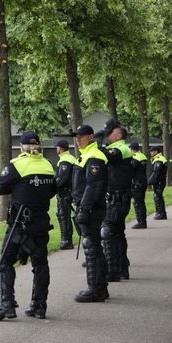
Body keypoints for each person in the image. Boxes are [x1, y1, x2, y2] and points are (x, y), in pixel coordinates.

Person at [0, 131, 56, 320]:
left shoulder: (17, 165)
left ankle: (6, 305)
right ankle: (39, 306)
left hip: (20, 225)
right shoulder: (48, 165)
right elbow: (52, 191)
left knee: (4, 263)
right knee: (41, 264)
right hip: (41, 224)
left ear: (22, 147)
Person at [71, 125, 109, 303]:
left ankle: (95, 289)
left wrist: (85, 209)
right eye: (76, 137)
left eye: (81, 136)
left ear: (91, 137)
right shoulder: (86, 155)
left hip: (92, 208)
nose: (77, 140)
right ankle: (99, 287)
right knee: (93, 247)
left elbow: (93, 186)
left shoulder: (94, 157)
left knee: (92, 247)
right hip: (86, 206)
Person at [101, 119, 133, 281]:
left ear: (119, 134)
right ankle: (122, 268)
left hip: (118, 198)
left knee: (108, 233)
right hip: (116, 198)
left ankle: (112, 270)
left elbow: (107, 155)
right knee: (117, 233)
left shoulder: (122, 148)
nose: (107, 136)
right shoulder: (113, 148)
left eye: (109, 133)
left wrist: (98, 143)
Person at [54, 139, 76, 250]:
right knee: (63, 215)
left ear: (61, 148)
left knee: (64, 216)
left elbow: (62, 179)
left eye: (57, 147)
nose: (56, 149)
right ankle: (66, 239)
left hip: (66, 192)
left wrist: (52, 187)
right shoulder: (69, 158)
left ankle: (66, 241)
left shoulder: (66, 160)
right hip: (68, 192)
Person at [128, 141, 149, 229]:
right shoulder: (142, 156)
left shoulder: (135, 158)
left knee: (138, 203)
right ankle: (143, 221)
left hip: (137, 183)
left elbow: (130, 170)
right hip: (143, 181)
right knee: (141, 202)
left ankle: (141, 222)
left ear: (131, 149)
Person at [147, 145, 169, 220]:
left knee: (158, 197)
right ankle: (160, 212)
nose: (150, 153)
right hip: (160, 181)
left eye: (152, 151)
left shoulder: (158, 160)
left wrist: (149, 182)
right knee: (158, 197)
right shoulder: (158, 159)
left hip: (159, 181)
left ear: (156, 151)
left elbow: (156, 172)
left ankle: (162, 213)